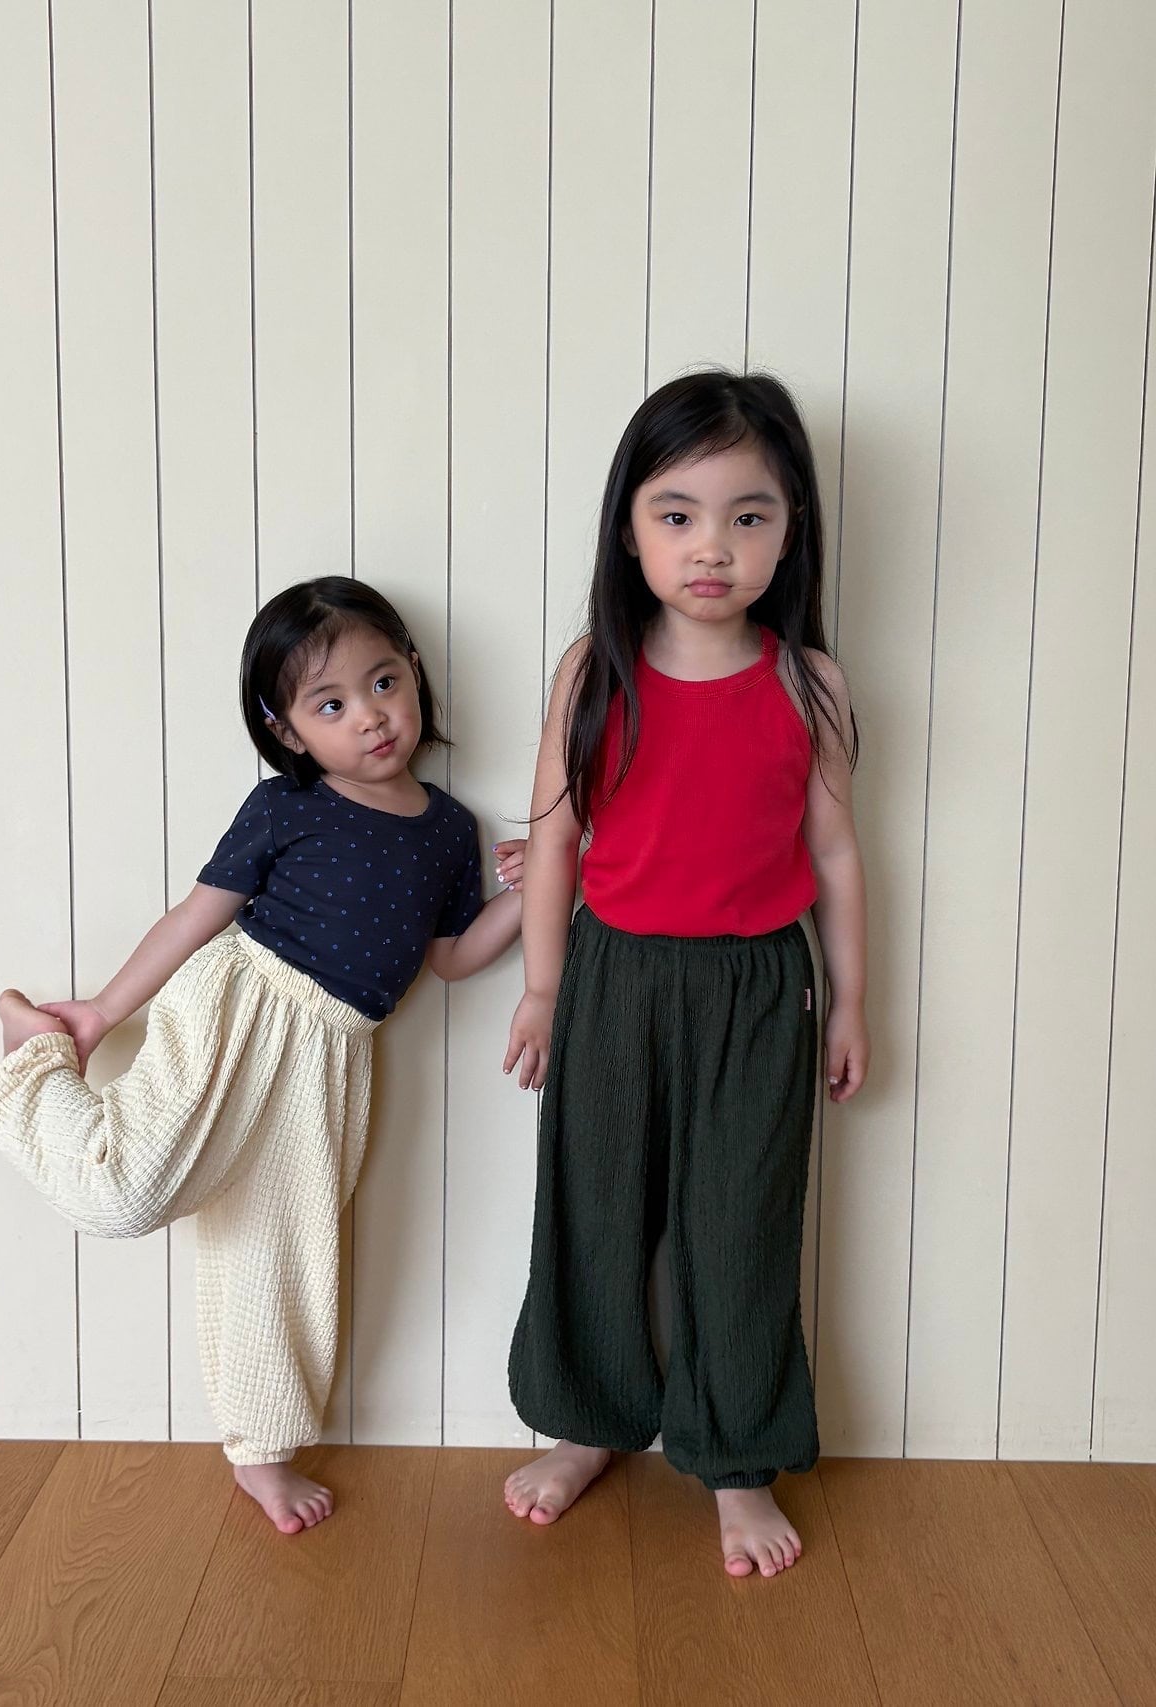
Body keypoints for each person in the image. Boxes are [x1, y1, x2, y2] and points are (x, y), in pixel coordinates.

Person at [0, 576, 524, 1534]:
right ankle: (33, 1064)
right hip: (241, 1008)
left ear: (413, 673)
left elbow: (450, 957)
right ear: (289, 731)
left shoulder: (450, 829)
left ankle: (261, 1448)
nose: (371, 716)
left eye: (384, 682)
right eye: (332, 704)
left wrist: (536, 892)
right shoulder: (287, 805)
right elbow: (194, 916)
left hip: (335, 1059)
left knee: (279, 1251)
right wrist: (102, 1012)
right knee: (126, 1190)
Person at [502, 369, 869, 1579]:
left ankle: (737, 1460)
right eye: (677, 514)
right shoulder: (590, 671)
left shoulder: (805, 683)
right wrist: (543, 989)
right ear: (629, 529)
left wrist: (850, 1002)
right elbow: (554, 839)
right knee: (595, 1208)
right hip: (610, 980)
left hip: (759, 992)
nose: (710, 545)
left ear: (788, 530)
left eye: (745, 515)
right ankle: (587, 1422)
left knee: (738, 1227)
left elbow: (834, 853)